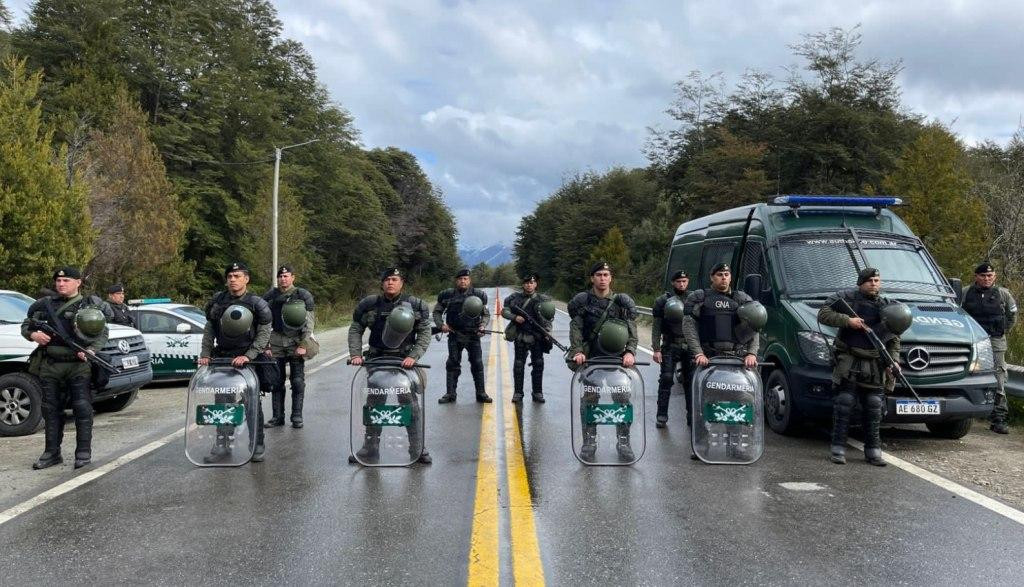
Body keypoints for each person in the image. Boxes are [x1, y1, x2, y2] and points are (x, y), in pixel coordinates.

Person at [22, 267, 111, 469]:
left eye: (66, 280)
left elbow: (102, 333)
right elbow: (27, 325)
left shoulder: (88, 305)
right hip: (50, 364)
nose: (61, 284)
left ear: (78, 282)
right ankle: (52, 453)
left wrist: (91, 351)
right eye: (58, 281)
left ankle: (83, 453)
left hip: (78, 365)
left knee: (82, 408)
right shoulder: (45, 305)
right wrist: (33, 335)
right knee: (51, 410)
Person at [817, 268, 901, 467]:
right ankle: (838, 448)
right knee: (844, 403)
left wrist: (894, 361)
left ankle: (873, 450)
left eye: (877, 280)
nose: (874, 283)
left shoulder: (887, 306)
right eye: (870, 280)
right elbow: (824, 313)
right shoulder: (845, 298)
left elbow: (894, 338)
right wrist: (848, 321)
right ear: (860, 282)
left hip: (875, 362)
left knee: (874, 406)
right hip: (849, 358)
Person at [348, 268, 433, 464]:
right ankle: (370, 449)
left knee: (410, 405)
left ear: (401, 282)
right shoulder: (369, 305)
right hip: (377, 361)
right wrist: (355, 354)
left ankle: (417, 448)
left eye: (394, 279)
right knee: (374, 404)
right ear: (382, 283)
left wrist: (414, 356)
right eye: (386, 279)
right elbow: (355, 328)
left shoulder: (415, 305)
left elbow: (425, 332)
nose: (390, 283)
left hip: (405, 363)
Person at [198, 262, 273, 463]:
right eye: (230, 276)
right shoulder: (218, 301)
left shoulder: (256, 303)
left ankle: (256, 444)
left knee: (251, 403)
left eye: (237, 276)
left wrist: (249, 355)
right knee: (222, 404)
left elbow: (264, 333)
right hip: (222, 359)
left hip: (248, 361)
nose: (233, 279)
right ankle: (222, 445)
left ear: (246, 279)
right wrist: (205, 353)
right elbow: (210, 329)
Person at [567, 261, 639, 460]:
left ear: (611, 278)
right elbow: (576, 329)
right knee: (589, 403)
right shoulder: (584, 302)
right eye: (598, 275)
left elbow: (632, 331)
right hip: (591, 362)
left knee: (623, 402)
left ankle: (624, 442)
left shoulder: (620, 303)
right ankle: (589, 442)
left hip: (617, 363)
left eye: (606, 275)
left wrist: (630, 352)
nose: (602, 278)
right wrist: (578, 351)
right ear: (592, 278)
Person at [961, 262, 1018, 434]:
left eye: (990, 276)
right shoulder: (965, 293)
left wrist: (1001, 330)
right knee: (967, 374)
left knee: (999, 378)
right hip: (971, 341)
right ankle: (964, 412)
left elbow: (1012, 316)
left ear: (995, 277)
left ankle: (999, 417)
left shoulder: (1003, 294)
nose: (987, 279)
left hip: (995, 341)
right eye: (983, 276)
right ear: (976, 276)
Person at [262, 265, 315, 429]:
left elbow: (310, 322)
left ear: (293, 277)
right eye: (280, 276)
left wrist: (304, 344)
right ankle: (277, 417)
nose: (283, 279)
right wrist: (266, 345)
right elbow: (263, 322)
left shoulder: (302, 295)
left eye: (286, 276)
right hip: (276, 341)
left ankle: (297, 416)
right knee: (276, 381)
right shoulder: (270, 296)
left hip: (296, 341)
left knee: (297, 381)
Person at [681, 263, 759, 370]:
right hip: (707, 358)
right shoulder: (699, 298)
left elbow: (754, 326)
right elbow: (689, 327)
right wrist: (698, 353)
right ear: (712, 277)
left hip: (737, 358)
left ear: (730, 277)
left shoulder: (742, 299)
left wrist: (752, 354)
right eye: (719, 274)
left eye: (726, 274)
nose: (723, 278)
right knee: (689, 382)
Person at [434, 268, 492, 404]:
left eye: (465, 279)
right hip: (455, 335)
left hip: (473, 335)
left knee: (477, 364)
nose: (463, 281)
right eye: (460, 279)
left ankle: (481, 393)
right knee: (452, 364)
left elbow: (486, 314)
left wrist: (483, 326)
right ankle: (450, 394)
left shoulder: (478, 295)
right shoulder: (447, 296)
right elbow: (437, 312)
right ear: (456, 281)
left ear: (469, 280)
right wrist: (441, 325)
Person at [501, 273, 553, 403]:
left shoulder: (543, 299)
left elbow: (548, 318)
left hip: (537, 336)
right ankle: (518, 393)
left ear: (536, 284)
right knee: (518, 365)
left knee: (538, 364)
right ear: (523, 284)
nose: (529, 285)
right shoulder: (514, 298)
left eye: (532, 283)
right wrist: (514, 317)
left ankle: (537, 392)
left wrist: (548, 333)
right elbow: (504, 311)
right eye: (527, 283)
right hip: (521, 335)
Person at [652, 270, 693, 428]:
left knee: (690, 382)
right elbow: (656, 327)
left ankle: (692, 416)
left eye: (684, 281)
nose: (681, 284)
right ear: (673, 283)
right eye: (678, 281)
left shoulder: (693, 299)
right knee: (667, 378)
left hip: (689, 345)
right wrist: (656, 349)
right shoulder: (663, 301)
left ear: (688, 281)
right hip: (670, 345)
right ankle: (662, 415)